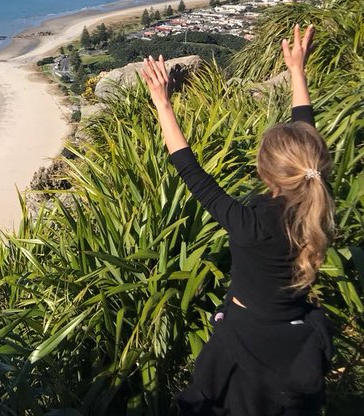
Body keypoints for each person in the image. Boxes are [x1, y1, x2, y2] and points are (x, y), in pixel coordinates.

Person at [140, 24, 335, 415]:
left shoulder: (253, 224)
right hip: (295, 342)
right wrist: (297, 71)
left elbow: (189, 170)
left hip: (246, 344)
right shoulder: (319, 202)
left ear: (266, 174)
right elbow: (305, 142)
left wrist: (162, 102)